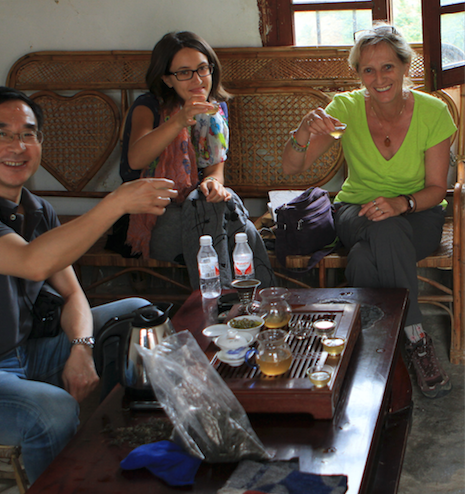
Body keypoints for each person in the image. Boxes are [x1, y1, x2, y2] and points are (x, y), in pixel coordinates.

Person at [0, 86, 178, 483]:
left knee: (138, 314)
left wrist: (81, 348)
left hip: (29, 354)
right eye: (0, 133)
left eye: (28, 134)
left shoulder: (35, 209)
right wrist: (114, 203)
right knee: (54, 409)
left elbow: (72, 292)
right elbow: (33, 263)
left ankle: (121, 443)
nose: (17, 145)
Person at [282, 25, 457, 398]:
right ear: (358, 74)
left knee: (366, 255)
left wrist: (401, 203)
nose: (379, 78)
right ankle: (416, 338)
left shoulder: (433, 112)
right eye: (368, 70)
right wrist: (302, 130)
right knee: (380, 229)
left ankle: (376, 348)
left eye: (388, 67)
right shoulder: (344, 109)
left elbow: (436, 189)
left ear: (405, 66)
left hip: (419, 213)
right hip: (355, 211)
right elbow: (292, 168)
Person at [117, 31, 275, 289]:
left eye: (203, 69)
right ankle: (262, 300)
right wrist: (180, 120)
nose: (197, 79)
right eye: (184, 72)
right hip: (154, 216)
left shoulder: (215, 111)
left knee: (210, 201)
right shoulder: (149, 106)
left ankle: (219, 301)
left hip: (205, 217)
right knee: (240, 230)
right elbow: (136, 159)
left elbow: (215, 171)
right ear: (167, 79)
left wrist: (213, 185)